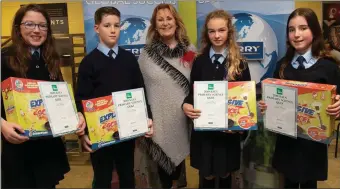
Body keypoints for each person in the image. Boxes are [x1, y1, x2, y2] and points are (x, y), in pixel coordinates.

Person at [1, 4, 86, 188]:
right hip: (19, 149)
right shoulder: (4, 58)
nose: (37, 30)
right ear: (18, 28)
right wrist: (2, 124)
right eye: (30, 24)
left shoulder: (50, 59)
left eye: (42, 25)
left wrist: (76, 115)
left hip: (48, 148)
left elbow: (61, 97)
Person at [258, 8, 340, 189]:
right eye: (291, 29)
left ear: (314, 31)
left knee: (309, 182)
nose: (296, 34)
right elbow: (271, 100)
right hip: (286, 141)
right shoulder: (282, 66)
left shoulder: (328, 67)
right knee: (287, 181)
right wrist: (266, 106)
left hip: (313, 144)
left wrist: (338, 107)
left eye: (303, 28)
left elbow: (338, 100)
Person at [75, 6, 153, 189]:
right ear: (96, 28)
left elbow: (140, 91)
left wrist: (147, 118)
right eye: (107, 25)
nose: (112, 30)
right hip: (100, 132)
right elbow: (82, 98)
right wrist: (83, 133)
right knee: (102, 178)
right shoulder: (88, 63)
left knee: (127, 176)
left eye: (117, 25)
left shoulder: (129, 60)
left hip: (127, 131)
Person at [182, 10, 251, 188]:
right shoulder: (199, 61)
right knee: (207, 175)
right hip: (204, 133)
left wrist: (239, 127)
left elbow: (246, 101)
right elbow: (192, 92)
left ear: (229, 32)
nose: (217, 35)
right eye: (212, 31)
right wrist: (186, 104)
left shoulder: (240, 63)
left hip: (227, 135)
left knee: (226, 173)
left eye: (221, 30)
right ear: (207, 33)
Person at [137, 3, 196, 188]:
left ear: (176, 22)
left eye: (169, 18)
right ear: (154, 25)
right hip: (159, 118)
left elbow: (196, 79)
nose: (165, 23)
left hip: (182, 118)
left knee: (178, 165)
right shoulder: (147, 54)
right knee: (162, 168)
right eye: (160, 20)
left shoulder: (188, 50)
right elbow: (140, 87)